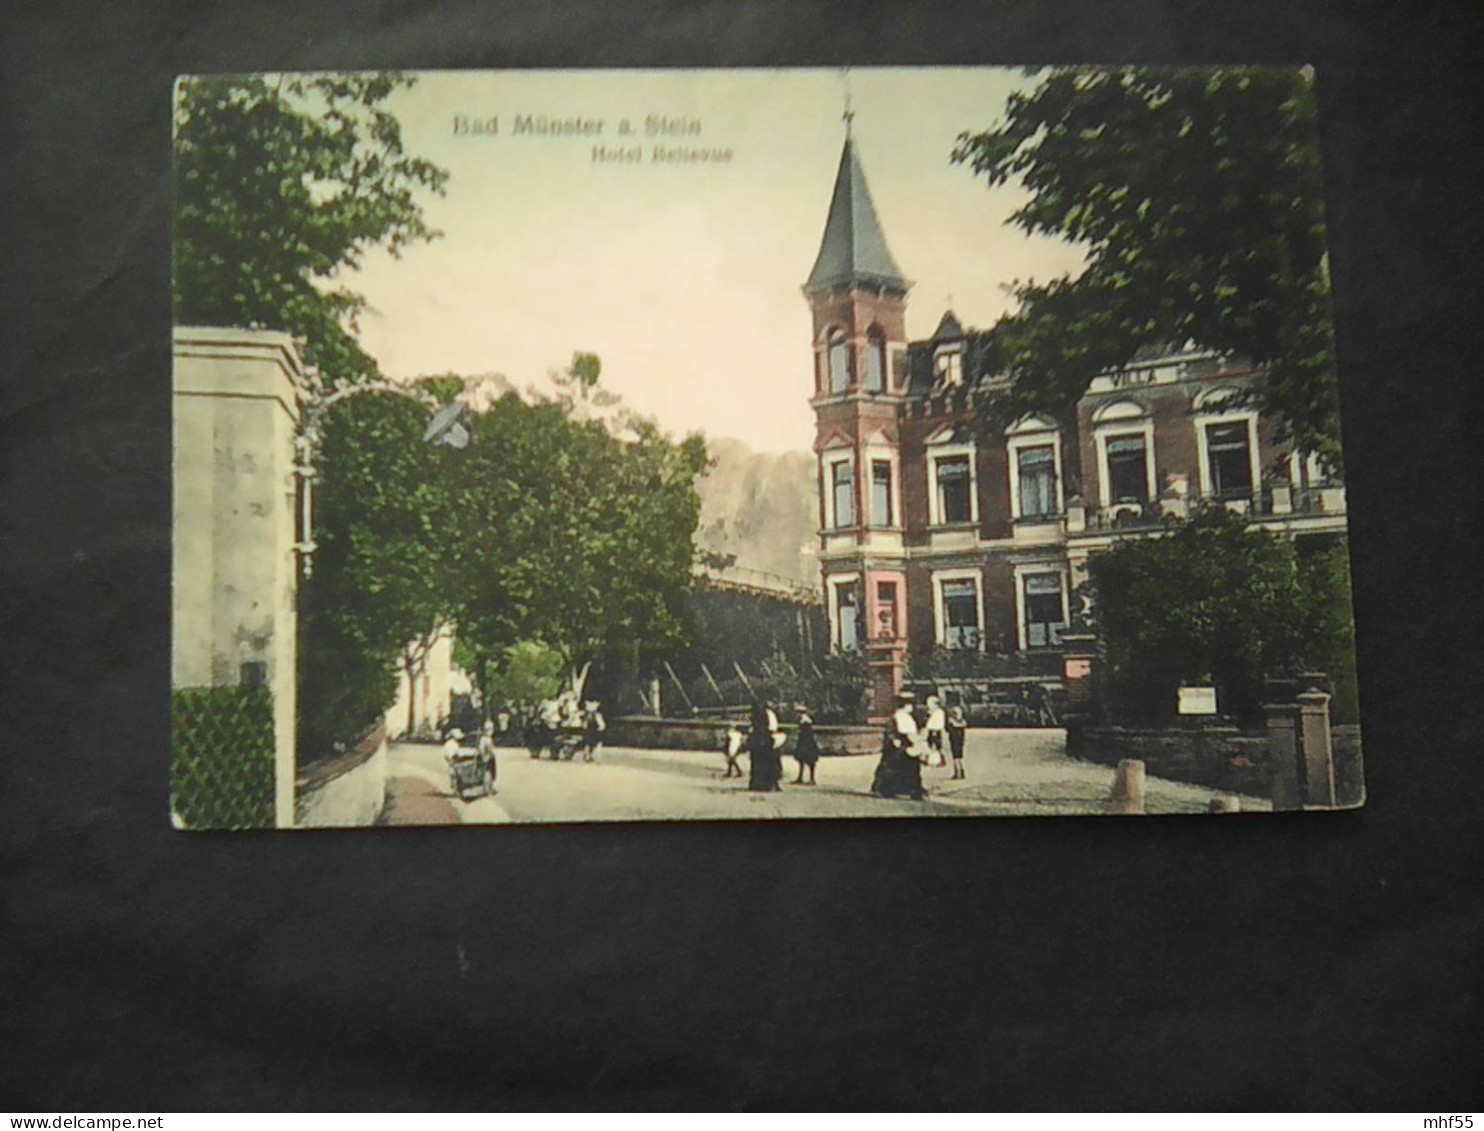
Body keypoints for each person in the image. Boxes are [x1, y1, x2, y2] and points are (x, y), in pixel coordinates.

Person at [871, 692, 926, 800]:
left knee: (900, 768)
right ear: (906, 705)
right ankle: (910, 790)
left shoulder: (901, 716)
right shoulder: (901, 716)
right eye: (910, 705)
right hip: (901, 747)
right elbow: (904, 733)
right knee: (905, 768)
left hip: (901, 746)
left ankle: (894, 789)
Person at [747, 700, 783, 792]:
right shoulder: (767, 714)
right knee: (770, 762)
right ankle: (769, 784)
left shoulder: (759, 715)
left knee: (762, 763)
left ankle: (762, 784)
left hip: (763, 739)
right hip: (767, 739)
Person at [792, 704, 820, 785]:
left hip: (807, 743)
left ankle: (811, 779)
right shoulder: (803, 720)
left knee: (809, 760)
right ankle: (801, 777)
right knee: (802, 760)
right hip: (805, 742)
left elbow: (807, 734)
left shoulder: (805, 721)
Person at [946, 701, 968, 780]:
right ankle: (961, 771)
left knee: (955, 755)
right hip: (960, 736)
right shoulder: (963, 721)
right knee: (959, 754)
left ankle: (957, 772)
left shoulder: (951, 717)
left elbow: (948, 727)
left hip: (954, 736)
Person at [924, 695, 947, 769]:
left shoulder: (938, 712)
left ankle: (941, 760)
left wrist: (935, 730)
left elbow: (938, 722)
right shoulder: (932, 712)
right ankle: (930, 760)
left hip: (935, 730)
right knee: (930, 745)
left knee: (937, 746)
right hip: (931, 730)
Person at [476, 720, 498, 792]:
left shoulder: (487, 738)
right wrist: (485, 756)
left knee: (491, 772)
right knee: (487, 772)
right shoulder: (485, 739)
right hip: (487, 757)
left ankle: (490, 787)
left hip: (490, 757)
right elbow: (482, 749)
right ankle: (487, 788)